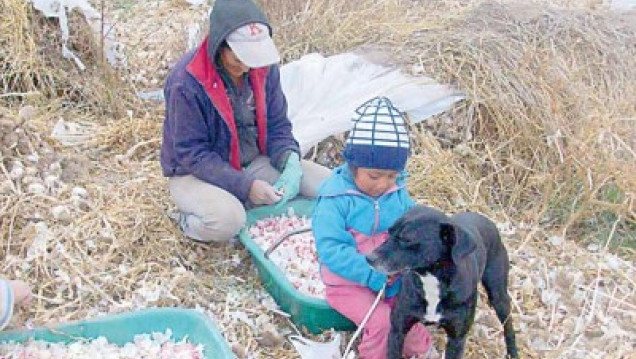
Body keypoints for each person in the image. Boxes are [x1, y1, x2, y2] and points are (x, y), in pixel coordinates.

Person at [160, 0, 331, 243]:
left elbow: (277, 124)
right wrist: (245, 185)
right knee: (228, 220)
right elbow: (192, 153)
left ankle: (250, 201)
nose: (248, 66)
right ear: (220, 46)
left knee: (328, 185)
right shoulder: (187, 82)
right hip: (196, 173)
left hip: (251, 161)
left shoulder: (262, 67)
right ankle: (187, 220)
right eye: (239, 59)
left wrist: (289, 159)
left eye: (253, 58)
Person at [312, 97, 439, 359]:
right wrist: (372, 274)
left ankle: (420, 351)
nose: (383, 184)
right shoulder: (335, 200)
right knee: (381, 322)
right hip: (348, 284)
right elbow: (331, 250)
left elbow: (413, 226)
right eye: (374, 176)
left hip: (391, 279)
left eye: (392, 176)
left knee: (408, 312)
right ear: (353, 166)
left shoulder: (398, 195)